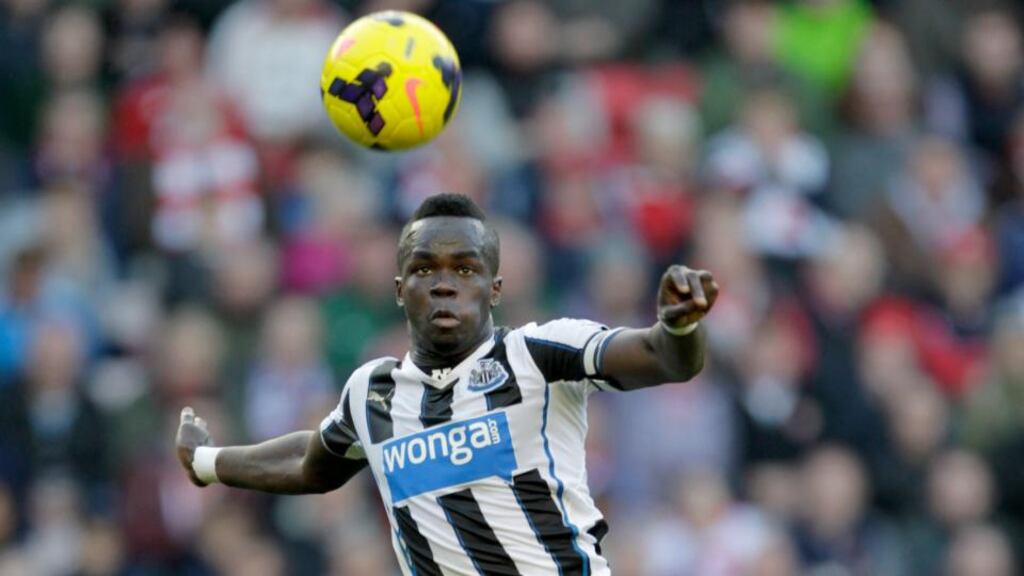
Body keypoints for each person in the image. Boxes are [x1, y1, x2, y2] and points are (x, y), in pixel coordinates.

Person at [174, 193, 718, 575]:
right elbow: (310, 463)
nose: (442, 284)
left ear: (495, 287)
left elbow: (662, 358)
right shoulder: (373, 393)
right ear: (399, 289)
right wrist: (207, 462)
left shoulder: (539, 354)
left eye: (464, 269)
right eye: (423, 269)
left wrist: (679, 326)